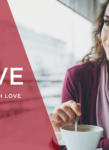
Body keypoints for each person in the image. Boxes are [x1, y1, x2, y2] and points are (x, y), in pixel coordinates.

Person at [49, 1, 109, 150]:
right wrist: (59, 135)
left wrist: (83, 142)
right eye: (108, 22)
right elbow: (66, 147)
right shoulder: (78, 77)